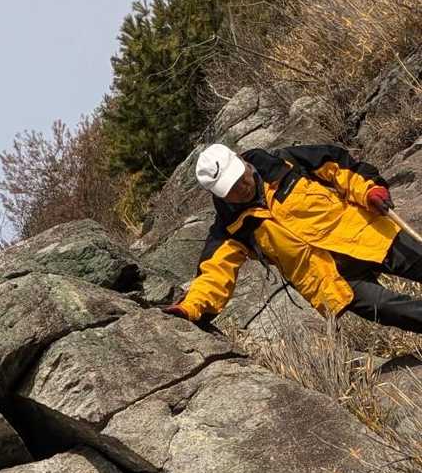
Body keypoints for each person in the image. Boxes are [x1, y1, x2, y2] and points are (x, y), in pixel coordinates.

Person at [164, 141, 422, 334]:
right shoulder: (230, 228)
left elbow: (341, 167)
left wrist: (370, 190)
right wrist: (190, 308)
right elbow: (213, 275)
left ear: (242, 162)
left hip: (366, 234)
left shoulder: (287, 163)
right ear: (218, 195)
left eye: (240, 179)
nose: (241, 189)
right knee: (395, 310)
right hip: (332, 280)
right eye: (230, 190)